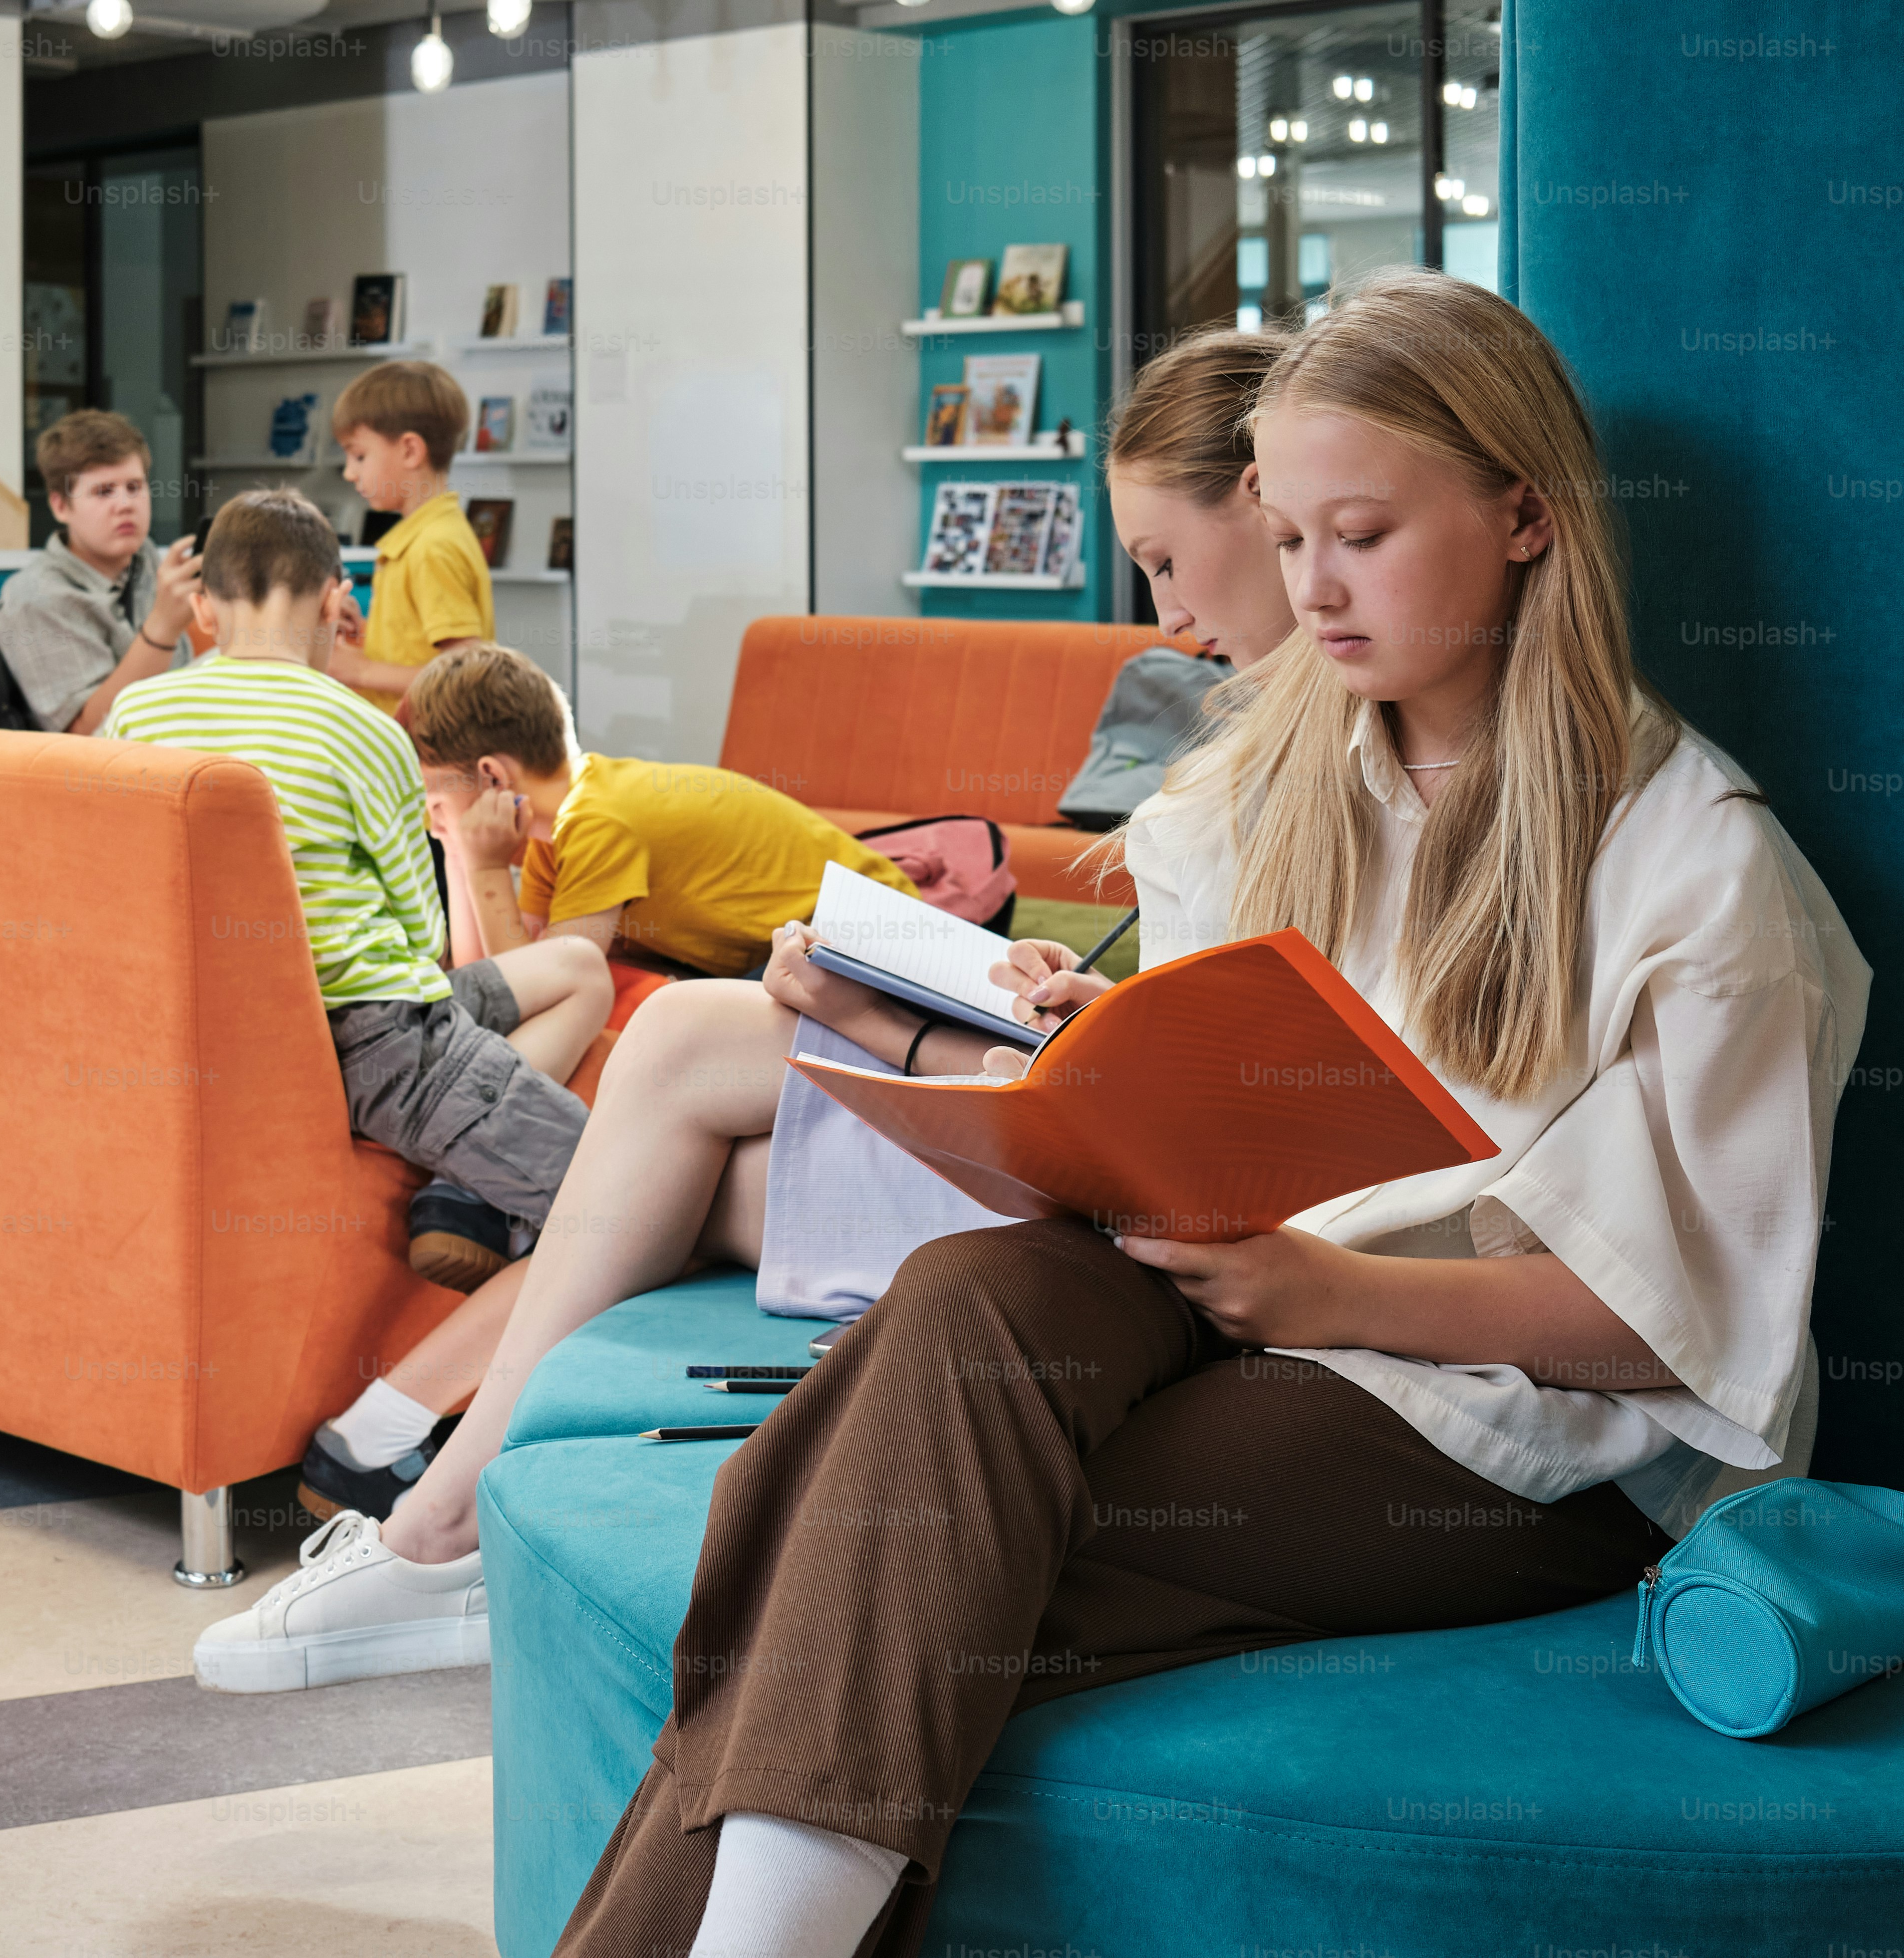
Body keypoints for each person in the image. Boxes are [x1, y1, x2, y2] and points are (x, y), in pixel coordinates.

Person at [555, 269, 1865, 1956]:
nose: (1307, 591)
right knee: (959, 1306)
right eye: (1287, 532)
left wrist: (1333, 1296)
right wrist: (1049, 1058)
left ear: (1524, 514)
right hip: (1254, 1295)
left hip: (1527, 1422)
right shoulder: (1273, 781)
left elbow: (1683, 1334)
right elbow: (1230, 1103)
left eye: (1360, 535)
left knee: (856, 1542)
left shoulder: (1700, 868)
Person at [186, 322, 1310, 1694]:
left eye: (1158, 561)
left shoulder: (1288, 764)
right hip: (1087, 1088)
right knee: (658, 1073)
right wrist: (1074, 999)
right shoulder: (1267, 740)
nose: (1164, 619)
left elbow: (1230, 1095)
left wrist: (894, 1022)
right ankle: (428, 1493)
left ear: (1263, 505)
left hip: (1144, 1183)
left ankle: (429, 1506)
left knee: (651, 1097)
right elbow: (1211, 1021)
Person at [99, 490, 613, 1551]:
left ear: (209, 601)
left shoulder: (141, 716)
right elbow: (422, 946)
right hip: (379, 1037)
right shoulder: (359, 730)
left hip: (233, 1033)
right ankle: (375, 1436)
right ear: (337, 597)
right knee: (626, 1204)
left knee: (575, 972)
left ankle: (464, 1192)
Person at [407, 640, 925, 977]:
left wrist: (485, 867)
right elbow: (487, 978)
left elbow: (531, 989)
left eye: (437, 797)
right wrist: (456, 850)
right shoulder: (558, 831)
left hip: (867, 936)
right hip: (799, 943)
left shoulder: (597, 821)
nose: (433, 818)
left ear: (493, 776)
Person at [0, 409, 202, 735]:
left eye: (134, 487)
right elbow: (86, 734)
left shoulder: (150, 563)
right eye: (104, 492)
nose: (126, 504)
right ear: (60, 506)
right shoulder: (34, 597)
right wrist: (163, 627)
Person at [320, 362, 492, 719]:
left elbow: (468, 677)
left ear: (411, 451)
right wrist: (366, 636)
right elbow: (420, 651)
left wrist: (361, 671)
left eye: (360, 456)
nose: (350, 473)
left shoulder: (433, 546)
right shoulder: (423, 537)